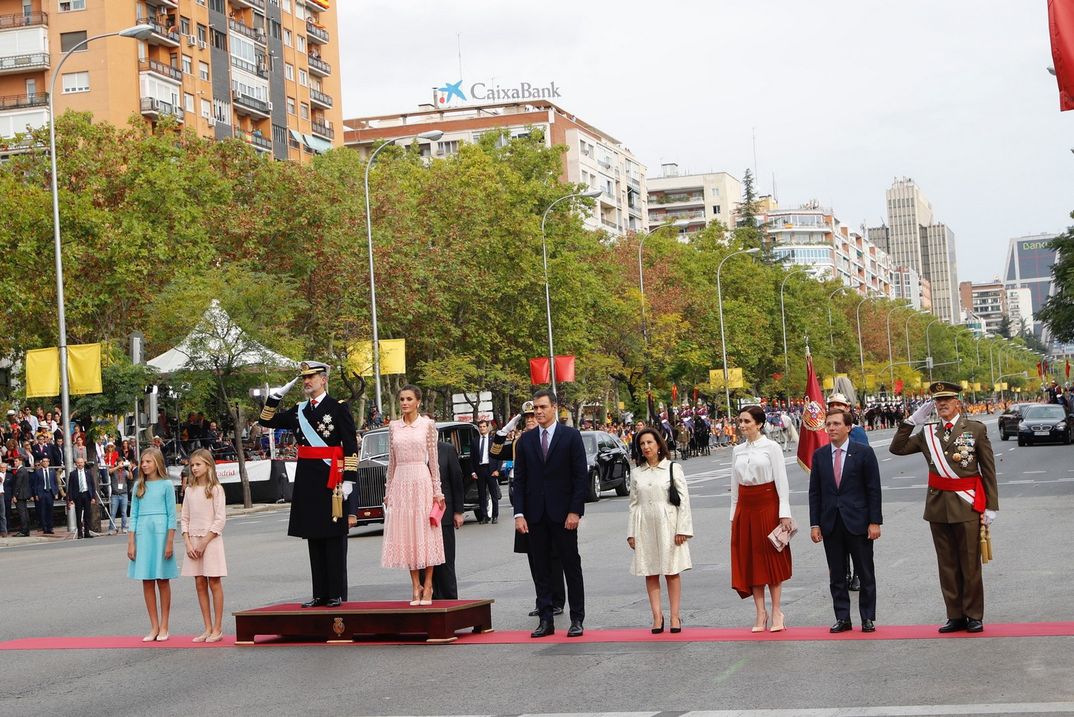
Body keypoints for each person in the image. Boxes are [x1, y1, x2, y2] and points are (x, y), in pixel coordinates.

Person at [890, 381, 998, 634]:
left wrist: (991, 506)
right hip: (938, 507)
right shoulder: (927, 433)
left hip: (967, 505)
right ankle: (955, 615)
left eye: (947, 399)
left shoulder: (974, 429)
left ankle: (973, 615)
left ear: (957, 402)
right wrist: (910, 422)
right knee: (947, 565)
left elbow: (988, 470)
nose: (942, 405)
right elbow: (897, 448)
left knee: (970, 563)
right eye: (938, 401)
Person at [258, 361, 359, 608]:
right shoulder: (298, 410)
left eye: (311, 377)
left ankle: (335, 593)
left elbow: (351, 446)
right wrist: (273, 399)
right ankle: (320, 593)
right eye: (304, 378)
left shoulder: (337, 408)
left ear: (323, 379)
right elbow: (266, 421)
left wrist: (349, 480)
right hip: (307, 480)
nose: (307, 382)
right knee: (314, 537)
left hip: (331, 478)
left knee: (333, 538)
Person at [512, 389, 588, 638]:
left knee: (570, 566)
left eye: (543, 407)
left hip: (564, 514)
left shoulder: (571, 437)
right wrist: (519, 514)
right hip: (535, 516)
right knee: (541, 569)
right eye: (536, 408)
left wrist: (575, 511)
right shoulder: (526, 441)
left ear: (555, 407)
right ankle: (546, 620)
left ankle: (577, 618)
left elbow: (580, 477)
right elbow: (520, 481)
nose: (539, 412)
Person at [809, 409, 883, 633]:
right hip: (831, 523)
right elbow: (815, 493)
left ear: (848, 427)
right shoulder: (820, 455)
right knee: (837, 574)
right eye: (828, 424)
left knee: (865, 571)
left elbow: (873, 490)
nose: (831, 428)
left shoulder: (864, 453)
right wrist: (815, 524)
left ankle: (867, 617)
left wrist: (874, 522)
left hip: (858, 522)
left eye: (836, 424)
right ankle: (843, 618)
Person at [493, 402, 567, 618]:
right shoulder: (520, 441)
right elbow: (495, 452)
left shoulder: (552, 439)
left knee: (553, 556)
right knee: (534, 557)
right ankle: (542, 600)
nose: (531, 421)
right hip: (525, 502)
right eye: (527, 419)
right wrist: (503, 431)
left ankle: (557, 600)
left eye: (533, 417)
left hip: (548, 504)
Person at [730, 405, 793, 633]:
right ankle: (760, 612)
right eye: (741, 421)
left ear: (758, 423)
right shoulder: (737, 450)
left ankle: (776, 610)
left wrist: (784, 512)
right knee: (752, 561)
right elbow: (734, 486)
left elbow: (781, 481)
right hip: (745, 508)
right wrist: (733, 516)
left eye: (747, 421)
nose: (742, 425)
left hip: (768, 505)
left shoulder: (772, 447)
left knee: (771, 560)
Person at [380, 384, 445, 605]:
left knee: (425, 533)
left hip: (421, 479)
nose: (405, 403)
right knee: (407, 534)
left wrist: (437, 490)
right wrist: (388, 490)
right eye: (402, 399)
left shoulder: (427, 425)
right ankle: (414, 586)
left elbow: (434, 460)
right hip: (400, 481)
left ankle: (428, 585)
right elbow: (392, 461)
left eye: (409, 399)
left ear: (418, 402)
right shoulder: (393, 426)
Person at [627, 427, 692, 634]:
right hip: (644, 525)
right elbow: (633, 504)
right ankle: (657, 616)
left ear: (658, 445)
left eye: (649, 443)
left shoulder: (673, 468)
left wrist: (682, 528)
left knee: (672, 571)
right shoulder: (637, 473)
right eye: (642, 444)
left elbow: (684, 502)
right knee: (650, 570)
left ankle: (675, 615)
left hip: (669, 524)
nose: (646, 447)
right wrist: (631, 532)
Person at [127, 447, 179, 641]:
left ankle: (165, 625)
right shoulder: (139, 485)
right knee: (147, 580)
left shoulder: (166, 485)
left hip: (161, 534)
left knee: (162, 580)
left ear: (157, 462)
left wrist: (170, 542)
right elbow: (133, 515)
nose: (144, 465)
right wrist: (131, 542)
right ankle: (154, 626)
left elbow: (172, 516)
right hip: (143, 534)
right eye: (142, 462)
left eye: (148, 461)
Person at [181, 449, 227, 643]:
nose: (194, 468)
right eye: (192, 465)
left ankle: (218, 627)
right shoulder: (190, 490)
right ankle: (207, 627)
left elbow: (220, 519)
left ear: (208, 465)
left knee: (213, 582)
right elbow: (184, 517)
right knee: (199, 583)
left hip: (211, 540)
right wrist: (188, 542)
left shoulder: (216, 489)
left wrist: (204, 542)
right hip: (193, 541)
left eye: (198, 464)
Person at [827, 391, 868, 591]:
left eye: (840, 405)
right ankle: (844, 572)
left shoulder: (857, 432)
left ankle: (857, 574)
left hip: (852, 493)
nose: (836, 407)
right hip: (833, 494)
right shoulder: (826, 430)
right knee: (836, 541)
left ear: (847, 408)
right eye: (832, 405)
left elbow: (864, 461)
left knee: (855, 539)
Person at [431, 440, 465, 600]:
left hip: (443, 514)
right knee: (427, 565)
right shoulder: (415, 452)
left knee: (446, 564)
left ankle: (451, 602)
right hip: (422, 516)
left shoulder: (447, 450)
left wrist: (458, 511)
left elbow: (457, 481)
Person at [473, 419, 501, 524]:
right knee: (482, 494)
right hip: (480, 469)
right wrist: (473, 471)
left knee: (493, 493)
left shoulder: (493, 440)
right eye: (480, 427)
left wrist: (497, 470)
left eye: (484, 426)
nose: (482, 428)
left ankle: (495, 516)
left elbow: (499, 455)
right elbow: (473, 457)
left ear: (487, 427)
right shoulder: (475, 440)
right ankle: (484, 516)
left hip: (491, 469)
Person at [67, 457, 98, 539]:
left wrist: (93, 497)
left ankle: (87, 532)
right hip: (78, 496)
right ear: (76, 464)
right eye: (78, 463)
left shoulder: (88, 472)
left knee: (87, 515)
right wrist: (70, 499)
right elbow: (70, 487)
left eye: (81, 462)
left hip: (87, 494)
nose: (80, 464)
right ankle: (80, 533)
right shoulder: (73, 474)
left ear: (84, 463)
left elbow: (92, 485)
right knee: (78, 514)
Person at [31, 458, 58, 534]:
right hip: (42, 493)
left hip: (50, 492)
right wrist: (36, 494)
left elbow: (55, 482)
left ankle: (50, 527)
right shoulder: (38, 472)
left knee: (50, 510)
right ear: (42, 463)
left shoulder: (52, 471)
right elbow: (35, 484)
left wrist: (55, 492)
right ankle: (45, 528)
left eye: (47, 461)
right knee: (43, 511)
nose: (45, 463)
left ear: (49, 463)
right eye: (44, 461)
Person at [11, 456, 31, 536]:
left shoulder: (20, 471)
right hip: (23, 494)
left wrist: (15, 495)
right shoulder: (24, 470)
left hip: (20, 495)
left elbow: (18, 484)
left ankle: (24, 530)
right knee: (25, 513)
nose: (14, 463)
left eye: (16, 461)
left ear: (20, 462)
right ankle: (26, 530)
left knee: (22, 513)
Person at [110, 460, 130, 534]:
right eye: (120, 463)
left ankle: (124, 527)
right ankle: (111, 528)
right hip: (115, 495)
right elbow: (110, 471)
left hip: (124, 494)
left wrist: (130, 469)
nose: (122, 464)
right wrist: (118, 466)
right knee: (113, 513)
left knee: (124, 512)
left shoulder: (125, 471)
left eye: (123, 463)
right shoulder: (114, 470)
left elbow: (130, 477)